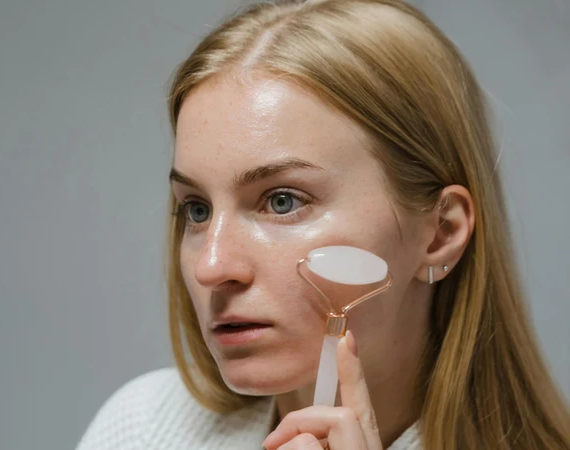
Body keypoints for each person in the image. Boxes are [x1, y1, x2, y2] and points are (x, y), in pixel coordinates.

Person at [75, 0, 570, 448]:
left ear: (440, 234)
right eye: (197, 209)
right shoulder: (144, 430)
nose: (212, 266)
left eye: (283, 201)